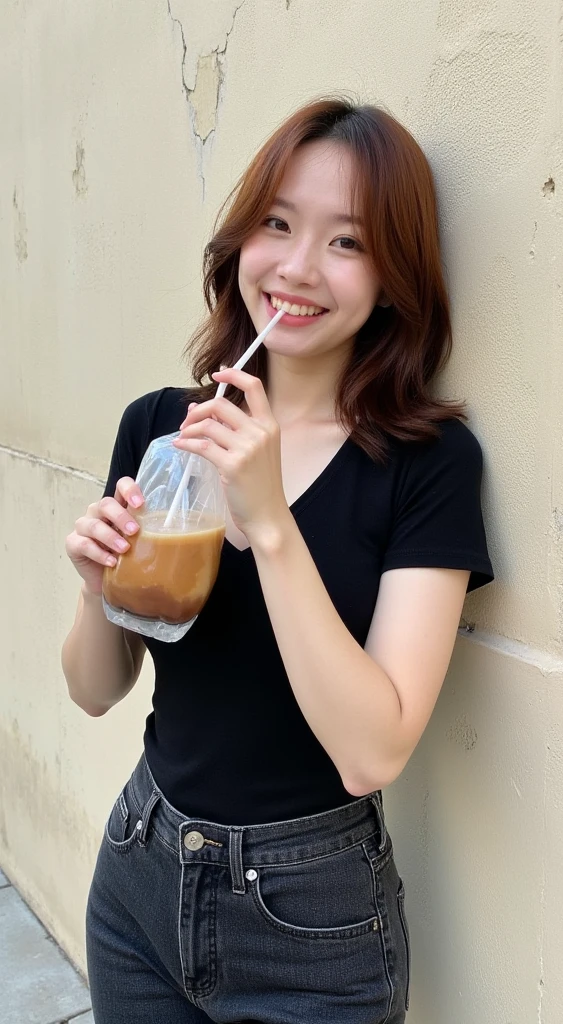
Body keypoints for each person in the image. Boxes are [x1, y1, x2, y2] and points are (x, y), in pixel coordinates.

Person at [62, 97, 494, 1024]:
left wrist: (271, 525)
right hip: (141, 868)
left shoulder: (427, 466)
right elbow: (96, 689)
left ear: (395, 276)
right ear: (241, 243)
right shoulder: (162, 429)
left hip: (310, 923)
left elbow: (372, 751)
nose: (298, 268)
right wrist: (98, 589)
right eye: (278, 224)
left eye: (348, 242)